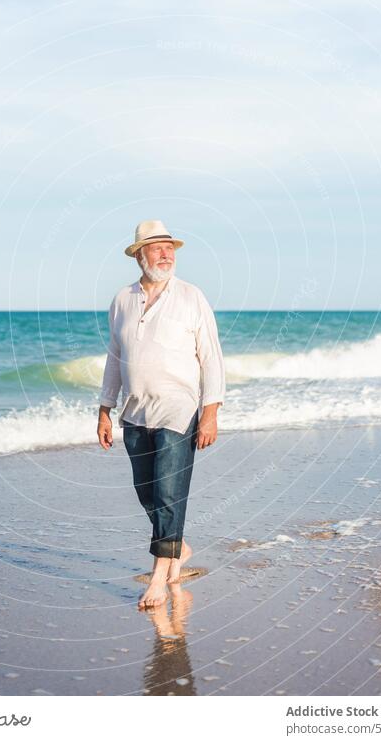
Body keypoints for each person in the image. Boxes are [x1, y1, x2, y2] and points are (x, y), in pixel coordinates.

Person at [97, 219, 226, 609]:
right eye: (157, 247)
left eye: (170, 247)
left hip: (179, 409)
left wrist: (210, 412)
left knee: (169, 493)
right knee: (147, 492)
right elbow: (115, 358)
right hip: (135, 411)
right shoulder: (122, 300)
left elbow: (212, 358)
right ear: (140, 255)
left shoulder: (191, 297)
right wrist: (104, 409)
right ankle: (177, 546)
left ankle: (158, 577)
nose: (166, 253)